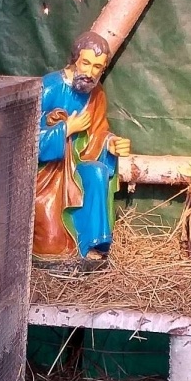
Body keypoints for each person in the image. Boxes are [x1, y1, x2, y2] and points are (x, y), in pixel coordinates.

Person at [33, 31, 131, 266]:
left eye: (97, 67)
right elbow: (27, 139)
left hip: (76, 165)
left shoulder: (96, 94)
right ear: (74, 59)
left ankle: (91, 245)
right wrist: (65, 129)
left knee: (97, 172)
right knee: (51, 241)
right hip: (46, 173)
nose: (90, 73)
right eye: (86, 63)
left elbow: (98, 132)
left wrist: (111, 143)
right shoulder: (49, 87)